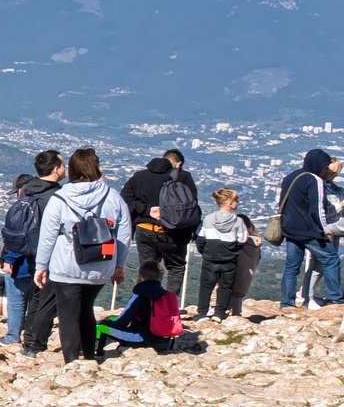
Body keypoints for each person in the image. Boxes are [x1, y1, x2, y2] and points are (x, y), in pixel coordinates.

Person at [33, 147, 133, 365]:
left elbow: (47, 236)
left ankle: (71, 361)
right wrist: (120, 264)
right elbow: (124, 233)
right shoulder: (112, 196)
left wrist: (41, 266)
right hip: (101, 265)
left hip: (66, 264)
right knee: (87, 308)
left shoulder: (60, 198)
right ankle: (89, 355)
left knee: (68, 314)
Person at [124, 150, 202, 300]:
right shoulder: (183, 177)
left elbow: (125, 200)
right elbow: (191, 205)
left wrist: (146, 210)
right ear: (177, 164)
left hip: (144, 229)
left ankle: (142, 306)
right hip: (174, 233)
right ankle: (168, 308)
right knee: (175, 268)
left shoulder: (139, 177)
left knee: (147, 269)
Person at [6, 152, 64, 352]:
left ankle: (29, 340)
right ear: (56, 169)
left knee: (37, 299)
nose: (65, 169)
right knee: (46, 301)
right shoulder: (55, 196)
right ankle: (35, 344)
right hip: (49, 253)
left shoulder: (28, 192)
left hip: (30, 253)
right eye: (63, 165)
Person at [278, 150, 343, 310]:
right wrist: (325, 230)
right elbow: (317, 209)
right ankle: (336, 298)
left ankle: (287, 303)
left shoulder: (290, 177)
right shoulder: (315, 180)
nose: (325, 170)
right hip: (309, 230)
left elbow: (283, 202)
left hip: (290, 228)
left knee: (291, 266)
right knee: (331, 259)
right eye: (325, 166)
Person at [97, 262, 180, 356]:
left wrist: (110, 321)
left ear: (140, 277)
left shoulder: (139, 295)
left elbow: (122, 322)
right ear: (161, 278)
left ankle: (97, 353)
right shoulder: (167, 295)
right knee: (113, 320)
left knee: (102, 325)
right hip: (164, 343)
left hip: (143, 339)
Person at [194, 190, 252, 322]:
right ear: (230, 203)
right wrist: (232, 251)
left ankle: (202, 312)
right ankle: (219, 313)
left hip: (210, 258)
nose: (237, 203)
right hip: (229, 260)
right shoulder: (238, 222)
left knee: (206, 286)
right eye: (236, 201)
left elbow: (201, 239)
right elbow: (242, 240)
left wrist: (205, 252)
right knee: (226, 286)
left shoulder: (208, 219)